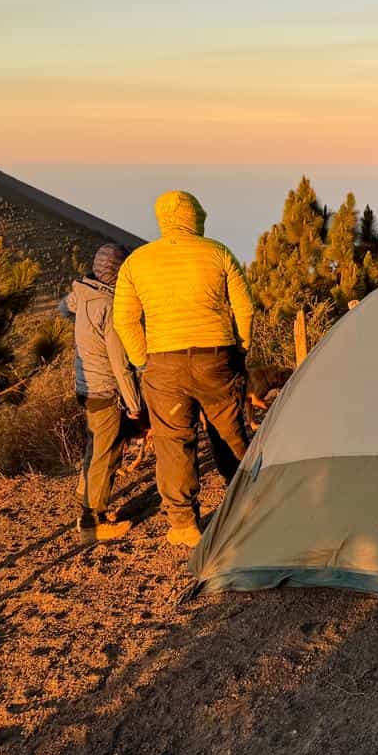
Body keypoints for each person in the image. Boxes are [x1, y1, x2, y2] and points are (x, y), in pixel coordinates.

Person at [113, 191, 255, 548]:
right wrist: (240, 350)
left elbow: (124, 320)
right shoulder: (218, 252)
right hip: (216, 357)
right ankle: (249, 506)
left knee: (173, 442)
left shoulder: (137, 261)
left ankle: (184, 524)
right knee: (230, 433)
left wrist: (144, 360)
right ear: (196, 216)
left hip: (163, 364)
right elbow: (245, 309)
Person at [59, 243, 145, 542]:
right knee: (105, 454)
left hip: (85, 387)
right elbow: (120, 364)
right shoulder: (109, 306)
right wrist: (134, 404)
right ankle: (91, 522)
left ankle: (88, 499)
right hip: (105, 389)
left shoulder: (83, 295)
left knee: (98, 446)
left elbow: (63, 308)